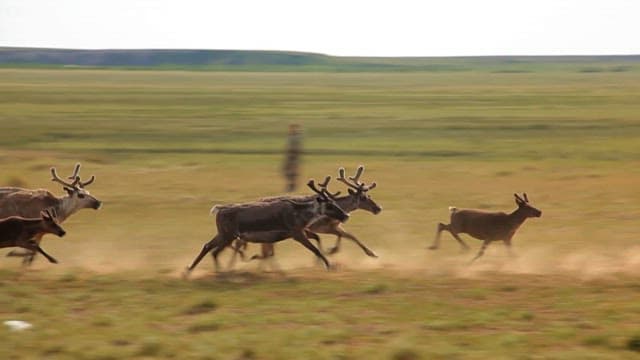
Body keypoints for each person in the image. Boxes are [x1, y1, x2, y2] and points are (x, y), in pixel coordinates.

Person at [282, 124, 302, 192]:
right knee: (286, 171)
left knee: (291, 172)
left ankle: (291, 186)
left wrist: (293, 155)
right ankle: (291, 185)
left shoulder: (295, 137)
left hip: (293, 156)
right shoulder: (291, 136)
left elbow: (296, 147)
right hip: (289, 156)